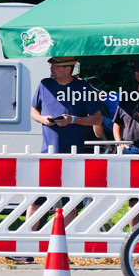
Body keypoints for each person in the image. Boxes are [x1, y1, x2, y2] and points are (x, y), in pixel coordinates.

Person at [26, 56, 103, 235]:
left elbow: (97, 118)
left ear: (68, 69)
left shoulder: (83, 88)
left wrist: (73, 120)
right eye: (52, 66)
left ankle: (66, 246)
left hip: (73, 155)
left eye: (55, 67)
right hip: (48, 152)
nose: (51, 69)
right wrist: (43, 119)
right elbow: (33, 111)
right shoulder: (45, 84)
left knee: (70, 201)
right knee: (37, 199)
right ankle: (24, 244)